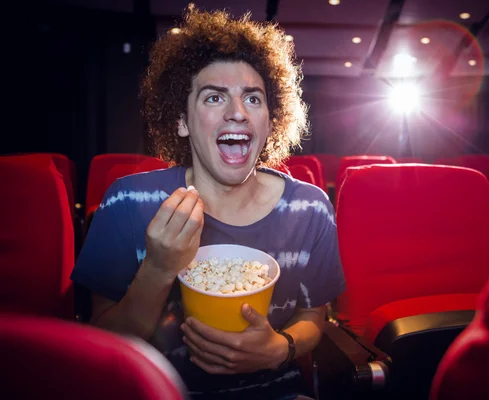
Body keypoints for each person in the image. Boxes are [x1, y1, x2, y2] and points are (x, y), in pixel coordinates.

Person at [71, 4, 346, 400]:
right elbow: (103, 343)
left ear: (271, 120)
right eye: (215, 98)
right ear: (181, 120)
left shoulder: (312, 208)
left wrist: (278, 349)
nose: (237, 113)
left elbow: (312, 317)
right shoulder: (127, 202)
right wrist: (158, 268)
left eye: (253, 99)